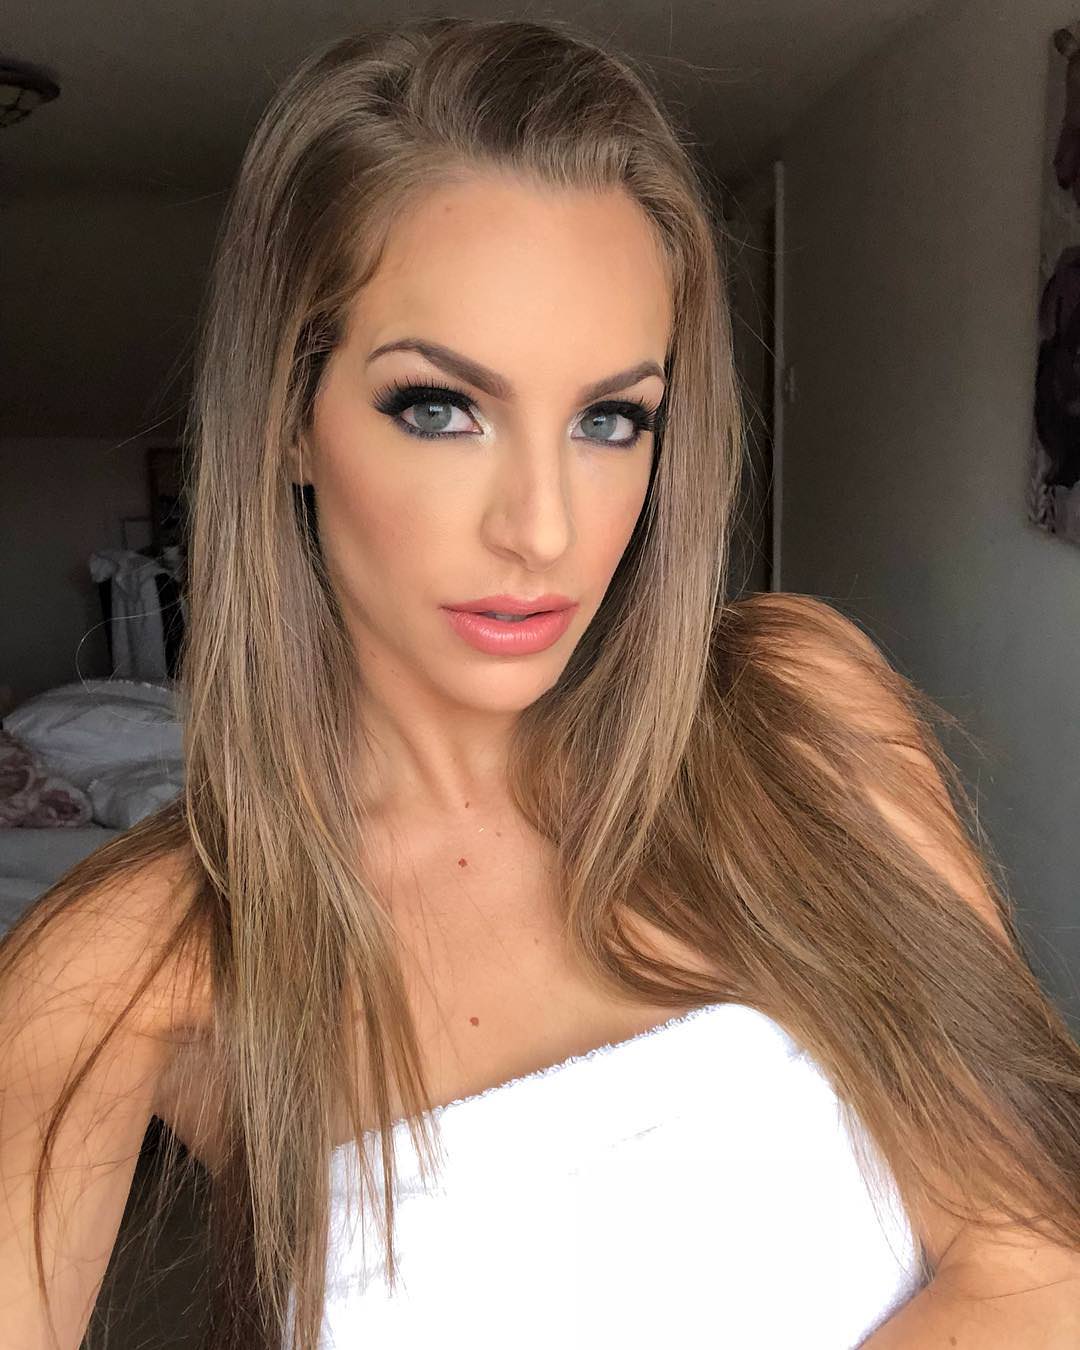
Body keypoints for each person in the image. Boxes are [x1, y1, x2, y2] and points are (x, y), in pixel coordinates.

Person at [3, 16, 1080, 1350]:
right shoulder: (134, 958)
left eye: (611, 419)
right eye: (440, 408)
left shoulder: (799, 724)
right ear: (286, 416)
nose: (545, 528)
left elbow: (1044, 1261)